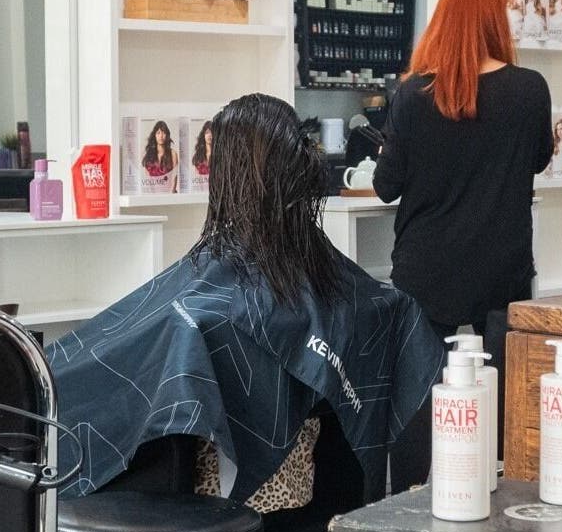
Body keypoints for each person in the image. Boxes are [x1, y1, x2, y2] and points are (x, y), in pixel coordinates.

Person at [49, 93, 440, 506]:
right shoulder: (327, 280)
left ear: (229, 173)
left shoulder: (203, 312)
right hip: (318, 495)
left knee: (61, 382)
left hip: (225, 499)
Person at [374, 0, 554, 341]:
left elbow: (385, 187)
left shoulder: (414, 93)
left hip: (427, 266)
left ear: (442, 22)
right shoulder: (530, 89)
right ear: (496, 22)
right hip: (504, 267)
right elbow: (538, 159)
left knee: (421, 390)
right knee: (506, 388)